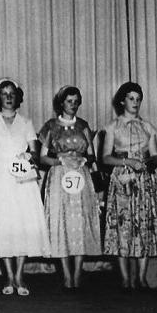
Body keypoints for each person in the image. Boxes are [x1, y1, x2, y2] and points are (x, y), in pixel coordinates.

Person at [0, 79, 50, 296]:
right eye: (4, 93)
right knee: (3, 223)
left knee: (22, 223)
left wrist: (28, 156)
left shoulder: (26, 122)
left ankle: (19, 276)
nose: (8, 97)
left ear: (17, 96)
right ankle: (9, 276)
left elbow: (35, 152)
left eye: (12, 93)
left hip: (22, 176)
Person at [102, 81, 157, 292]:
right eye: (131, 98)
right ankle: (125, 279)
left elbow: (156, 155)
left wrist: (149, 163)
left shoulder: (148, 127)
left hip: (143, 180)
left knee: (143, 226)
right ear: (122, 101)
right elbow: (105, 157)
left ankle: (140, 278)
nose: (135, 103)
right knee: (122, 227)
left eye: (138, 99)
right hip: (122, 180)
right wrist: (127, 162)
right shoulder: (112, 127)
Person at [38, 85, 101, 291]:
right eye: (69, 101)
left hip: (80, 176)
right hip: (59, 176)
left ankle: (77, 274)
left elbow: (92, 155)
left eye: (76, 102)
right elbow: (42, 157)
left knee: (80, 222)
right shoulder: (51, 126)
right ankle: (66, 275)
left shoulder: (83, 125)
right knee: (62, 222)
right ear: (61, 103)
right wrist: (61, 160)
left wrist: (84, 160)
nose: (73, 105)